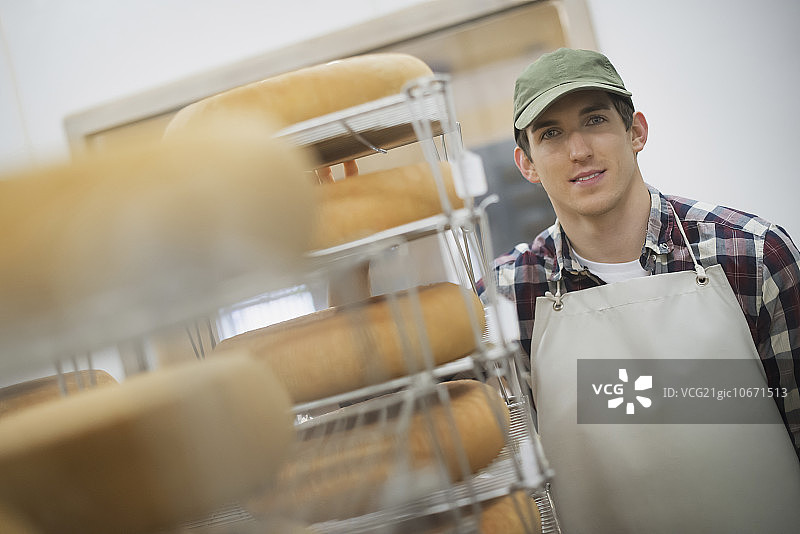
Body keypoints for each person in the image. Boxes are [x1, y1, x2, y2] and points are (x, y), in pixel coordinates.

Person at [482, 47, 800, 532]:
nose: (579, 151)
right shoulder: (505, 299)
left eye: (594, 120)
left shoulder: (754, 255)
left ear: (636, 133)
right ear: (526, 163)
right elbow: (505, 481)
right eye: (551, 134)